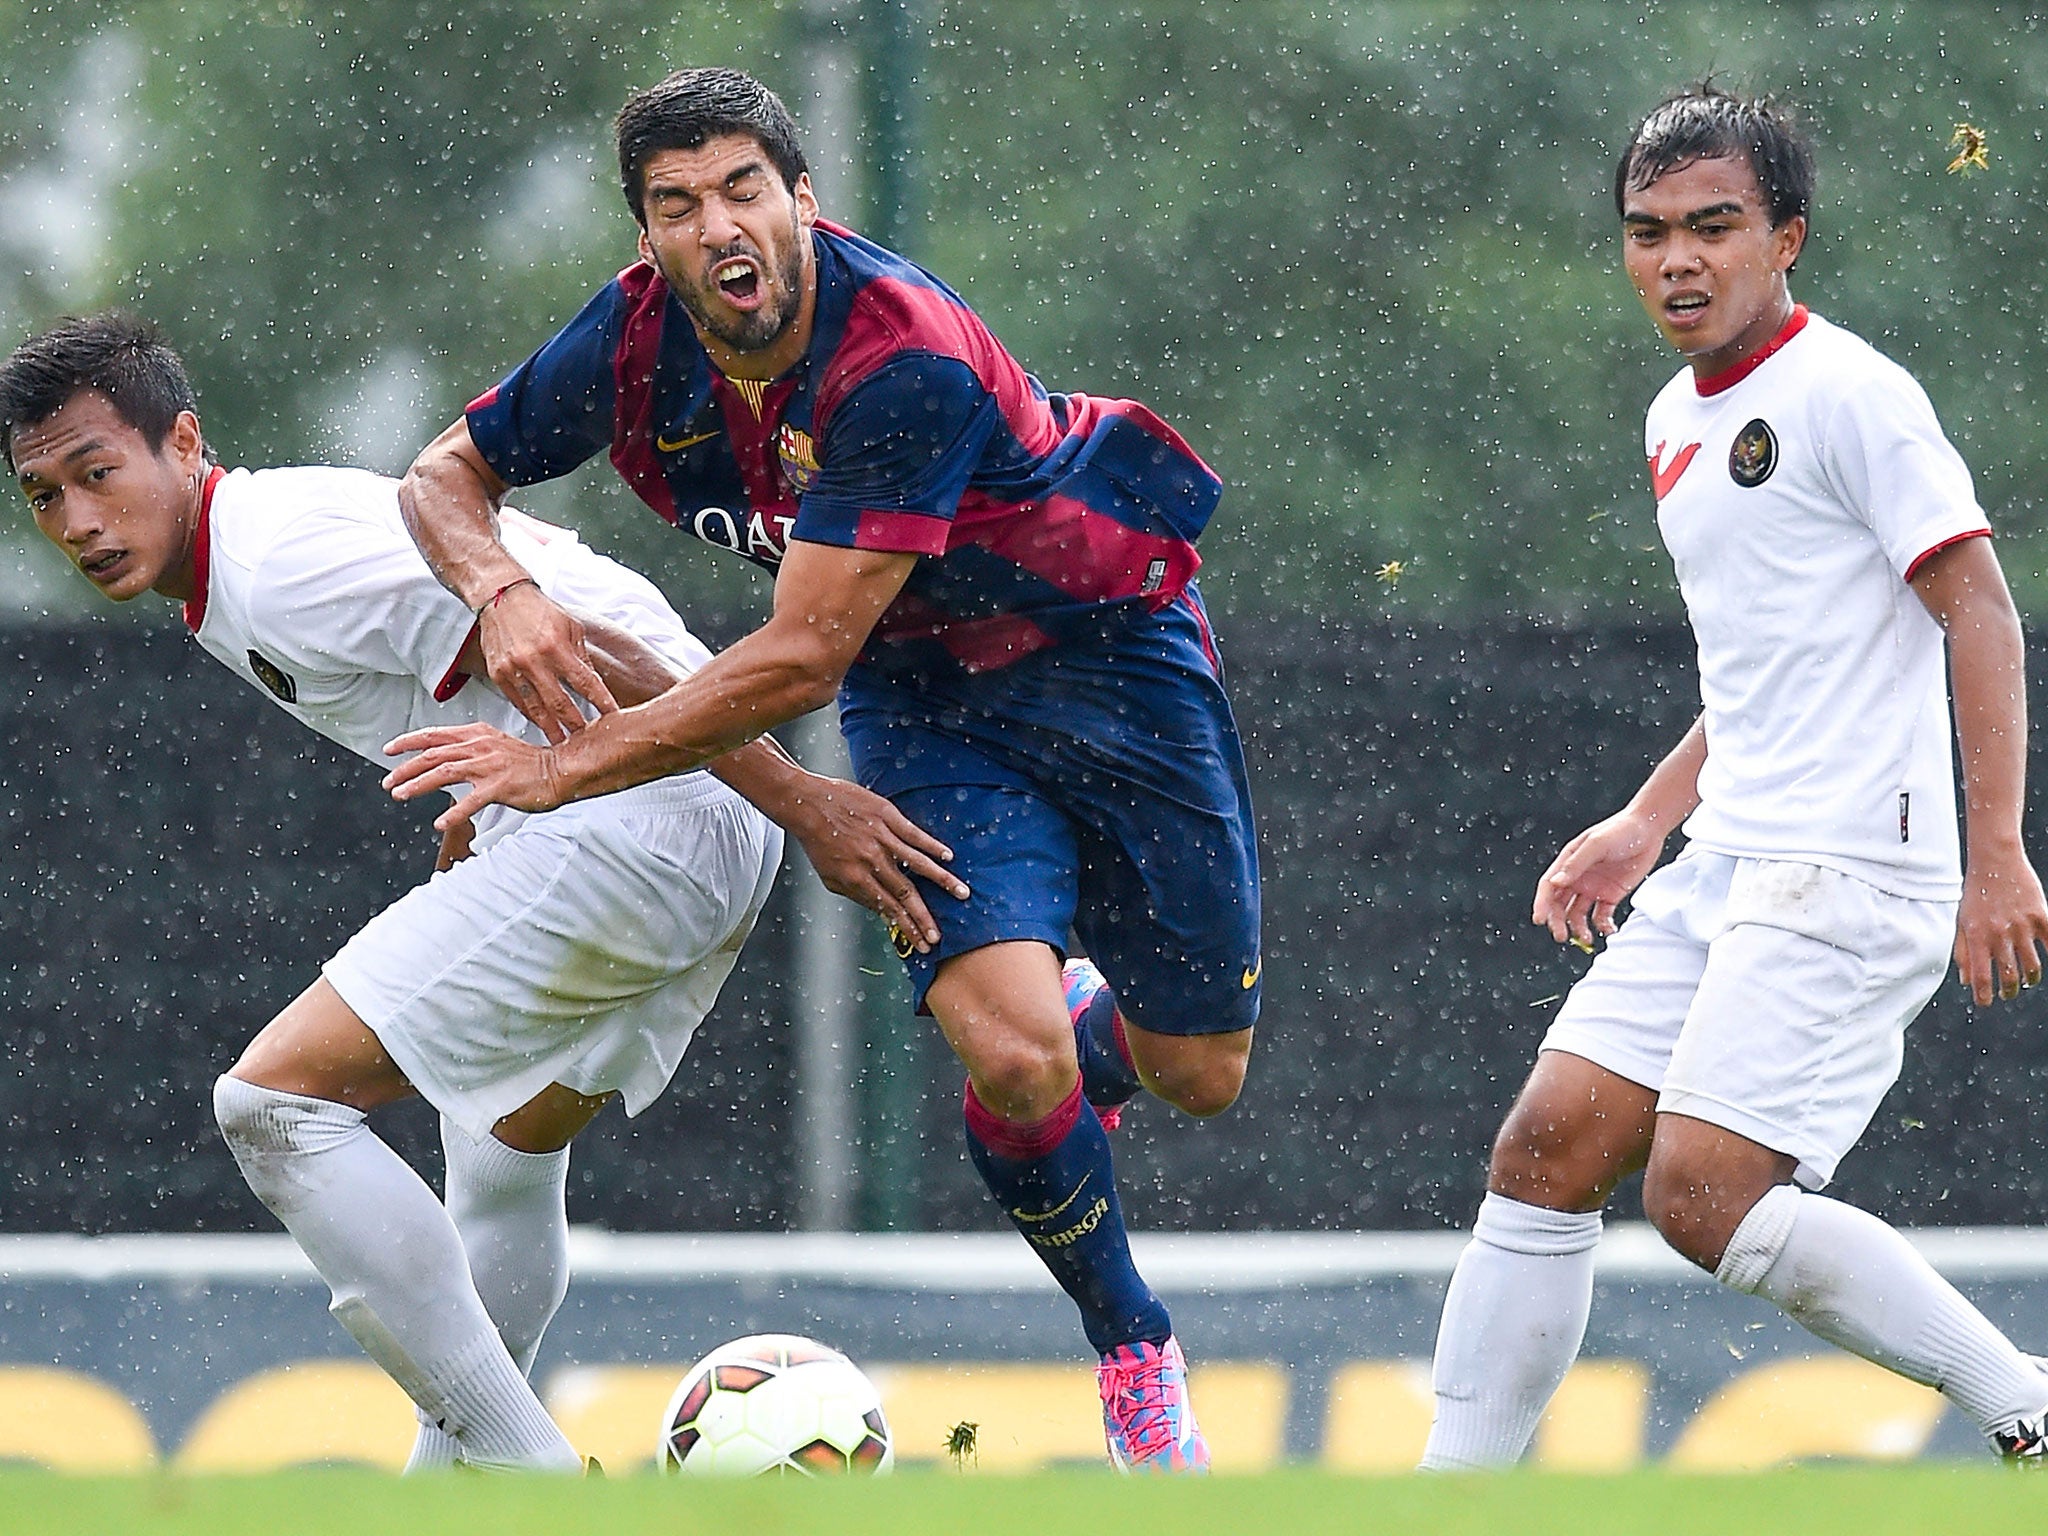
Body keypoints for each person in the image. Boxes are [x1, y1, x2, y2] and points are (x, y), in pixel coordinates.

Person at [385, 66, 1261, 1471]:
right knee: (1013, 1057)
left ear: (805, 200)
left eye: (743, 188)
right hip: (927, 695)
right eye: (677, 205)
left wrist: (571, 765)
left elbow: (795, 664)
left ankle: (1103, 1024)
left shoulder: (896, 355)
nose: (718, 227)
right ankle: (1138, 1351)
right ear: (648, 240)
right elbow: (441, 475)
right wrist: (501, 590)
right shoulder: (628, 343)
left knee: (1199, 1073)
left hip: (1111, 652)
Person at [2, 311, 962, 1473]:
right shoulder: (245, 556)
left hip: (646, 820)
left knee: (272, 1109)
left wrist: (802, 802)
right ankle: (453, 1492)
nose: (81, 521)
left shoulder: (281, 562)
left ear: (185, 443)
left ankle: (535, 1482)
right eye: (45, 496)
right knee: (502, 1148)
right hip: (667, 824)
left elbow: (585, 641)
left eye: (98, 473)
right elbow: (516, 657)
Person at [1419, 83, 2048, 1470]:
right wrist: (1647, 819)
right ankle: (1450, 1497)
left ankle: (2029, 1403)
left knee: (1704, 1201)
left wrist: (1996, 854)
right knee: (1547, 1149)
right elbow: (1760, 662)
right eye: (1649, 233)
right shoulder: (1671, 420)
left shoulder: (1851, 394)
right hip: (1729, 858)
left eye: (1716, 226)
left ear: (1788, 240)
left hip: (1852, 864)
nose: (1679, 260)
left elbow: (1982, 612)